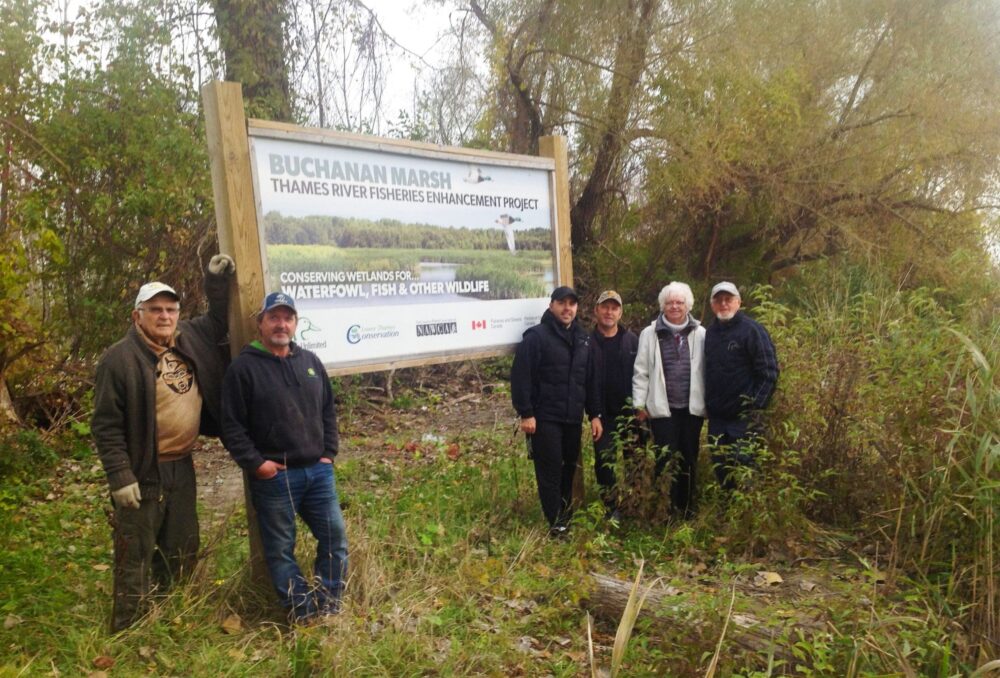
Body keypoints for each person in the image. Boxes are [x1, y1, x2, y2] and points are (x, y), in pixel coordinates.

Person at [91, 254, 236, 632]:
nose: (164, 316)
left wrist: (216, 283)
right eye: (154, 310)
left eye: (170, 309)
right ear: (137, 315)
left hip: (181, 465)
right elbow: (105, 426)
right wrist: (120, 476)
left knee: (182, 545)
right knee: (134, 552)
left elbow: (220, 319)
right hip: (143, 470)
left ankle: (173, 614)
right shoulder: (118, 361)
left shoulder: (189, 338)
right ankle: (128, 628)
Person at [220, 292, 348, 622]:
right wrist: (257, 465)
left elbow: (328, 411)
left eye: (287, 318)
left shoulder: (310, 362)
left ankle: (329, 603)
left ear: (296, 323)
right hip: (276, 478)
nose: (281, 324)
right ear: (260, 323)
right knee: (279, 550)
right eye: (274, 317)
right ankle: (302, 612)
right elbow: (231, 426)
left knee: (335, 538)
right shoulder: (243, 369)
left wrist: (328, 454)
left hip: (318, 474)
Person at [510, 286, 595, 536]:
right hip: (544, 417)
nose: (567, 308)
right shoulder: (536, 337)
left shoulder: (583, 338)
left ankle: (565, 516)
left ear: (577, 308)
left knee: (569, 467)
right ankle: (556, 522)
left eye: (572, 304)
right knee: (549, 471)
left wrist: (595, 413)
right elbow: (521, 377)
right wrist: (526, 413)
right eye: (562, 303)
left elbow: (587, 379)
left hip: (572, 417)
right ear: (551, 306)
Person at [632, 282, 706, 518]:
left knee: (688, 458)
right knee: (665, 458)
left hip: (691, 409)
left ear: (688, 305)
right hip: (662, 410)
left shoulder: (701, 334)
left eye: (679, 302)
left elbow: (708, 371)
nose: (674, 306)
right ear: (663, 305)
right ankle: (666, 508)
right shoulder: (649, 333)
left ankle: (687, 508)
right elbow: (641, 371)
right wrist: (639, 405)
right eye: (670, 302)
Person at [703, 281, 779, 490]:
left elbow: (769, 372)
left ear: (739, 302)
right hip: (718, 418)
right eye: (719, 300)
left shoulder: (752, 331)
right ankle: (727, 516)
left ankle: (748, 518)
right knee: (722, 470)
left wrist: (754, 408)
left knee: (745, 469)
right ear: (712, 305)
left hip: (744, 419)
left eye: (728, 299)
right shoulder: (709, 334)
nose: (724, 304)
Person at [587, 290, 639, 519]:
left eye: (614, 308)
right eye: (605, 307)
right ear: (596, 310)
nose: (609, 312)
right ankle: (611, 508)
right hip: (603, 416)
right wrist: (593, 415)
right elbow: (585, 382)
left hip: (631, 414)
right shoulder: (587, 343)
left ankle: (634, 503)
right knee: (605, 462)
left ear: (620, 312)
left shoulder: (632, 340)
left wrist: (642, 407)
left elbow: (642, 375)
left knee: (634, 460)